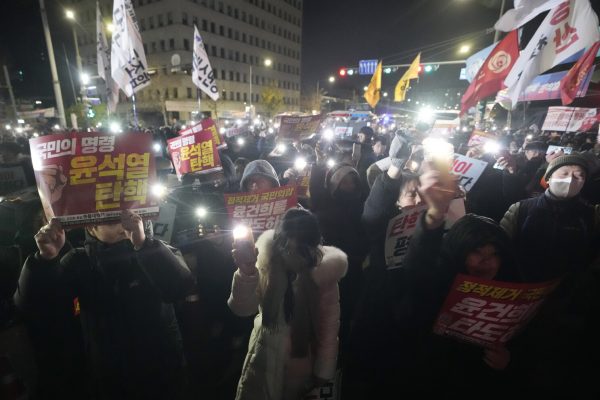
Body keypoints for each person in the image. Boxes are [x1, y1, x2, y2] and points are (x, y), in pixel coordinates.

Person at [14, 210, 194, 399]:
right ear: (91, 227)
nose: (123, 220)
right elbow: (35, 307)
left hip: (163, 370)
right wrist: (44, 260)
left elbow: (180, 288)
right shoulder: (78, 262)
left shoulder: (158, 250)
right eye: (110, 217)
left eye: (126, 212)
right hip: (107, 378)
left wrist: (144, 245)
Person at [499, 154, 600, 395]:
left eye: (579, 176)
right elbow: (500, 247)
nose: (571, 180)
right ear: (549, 178)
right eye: (564, 173)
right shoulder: (521, 209)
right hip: (521, 300)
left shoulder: (592, 215)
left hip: (565, 304)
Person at [227, 209, 348, 399]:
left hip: (300, 366)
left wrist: (323, 372)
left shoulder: (323, 274)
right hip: (263, 358)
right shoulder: (266, 262)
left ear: (313, 245)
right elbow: (243, 309)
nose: (291, 250)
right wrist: (247, 272)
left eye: (301, 246)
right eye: (286, 243)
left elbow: (329, 328)